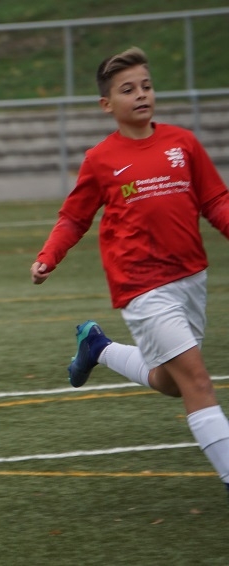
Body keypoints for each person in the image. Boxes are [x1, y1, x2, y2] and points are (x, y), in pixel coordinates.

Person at [31, 47, 229, 502]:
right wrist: (49, 256)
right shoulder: (101, 159)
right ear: (107, 104)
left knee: (172, 382)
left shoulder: (183, 143)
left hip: (190, 278)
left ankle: (98, 348)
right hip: (141, 285)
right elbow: (74, 217)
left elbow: (216, 201)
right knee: (197, 381)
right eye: (128, 90)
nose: (141, 95)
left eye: (146, 86)